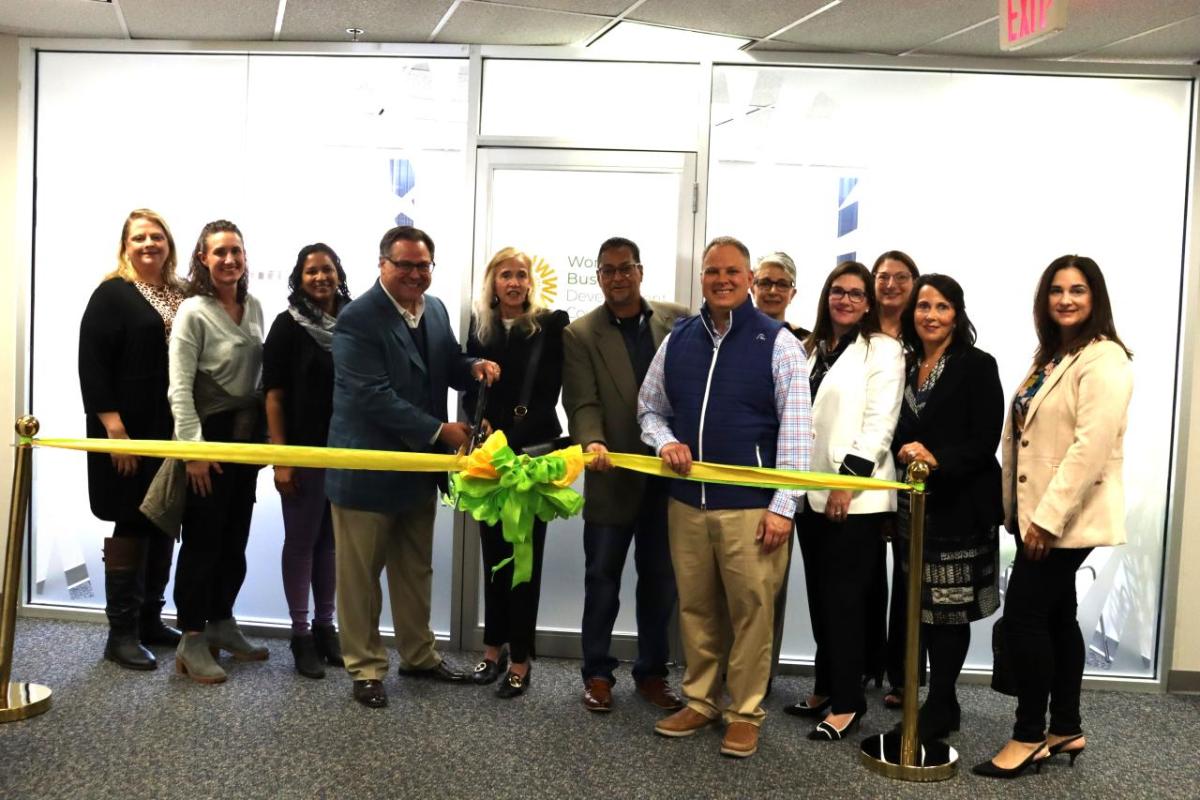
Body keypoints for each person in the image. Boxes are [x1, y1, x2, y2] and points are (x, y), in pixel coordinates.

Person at [638, 236, 812, 759]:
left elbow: (798, 434)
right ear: (703, 280)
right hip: (688, 504)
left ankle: (745, 711)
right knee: (695, 608)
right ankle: (701, 699)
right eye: (713, 272)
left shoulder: (777, 342)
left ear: (750, 280)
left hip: (751, 508)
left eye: (733, 272)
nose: (722, 280)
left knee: (751, 612)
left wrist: (784, 506)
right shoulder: (679, 338)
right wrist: (665, 441)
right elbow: (649, 408)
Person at [325, 225, 499, 709]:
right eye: (404, 265)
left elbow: (445, 363)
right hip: (367, 472)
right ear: (382, 265)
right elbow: (371, 396)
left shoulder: (436, 308)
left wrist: (473, 367)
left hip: (417, 472)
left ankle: (419, 655)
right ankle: (365, 667)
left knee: (414, 569)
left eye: (423, 265)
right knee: (360, 579)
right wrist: (440, 432)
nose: (414, 274)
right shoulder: (358, 319)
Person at [975, 255, 1132, 778]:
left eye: (1078, 290)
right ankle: (1065, 725)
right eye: (1057, 290)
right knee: (1057, 617)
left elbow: (1090, 448)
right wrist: (1015, 510)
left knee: (1023, 619)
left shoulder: (1104, 358)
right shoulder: (1055, 355)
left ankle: (1028, 736)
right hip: (1037, 516)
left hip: (1063, 518)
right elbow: (1025, 438)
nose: (1066, 299)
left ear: (1096, 299)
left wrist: (1045, 519)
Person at [562, 236, 687, 713]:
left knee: (660, 581)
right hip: (610, 473)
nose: (617, 277)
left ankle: (652, 674)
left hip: (667, 476)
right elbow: (581, 400)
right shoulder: (579, 334)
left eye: (625, 268)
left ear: (640, 271)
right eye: (608, 270)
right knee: (602, 581)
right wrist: (590, 440)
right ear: (598, 277)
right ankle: (596, 674)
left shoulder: (677, 320)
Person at [790, 260, 903, 740]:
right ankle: (824, 687)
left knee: (847, 602)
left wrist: (847, 482)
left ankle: (848, 703)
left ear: (868, 303)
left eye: (857, 294)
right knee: (820, 597)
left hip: (854, 498)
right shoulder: (812, 347)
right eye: (838, 291)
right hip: (810, 494)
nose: (846, 300)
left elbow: (881, 421)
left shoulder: (883, 349)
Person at [891, 274, 1003, 740]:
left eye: (940, 307)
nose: (930, 316)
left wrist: (937, 459)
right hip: (913, 508)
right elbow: (891, 425)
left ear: (957, 313)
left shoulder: (977, 364)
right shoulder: (904, 363)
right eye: (922, 306)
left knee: (949, 613)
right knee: (919, 608)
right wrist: (904, 449)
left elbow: (986, 436)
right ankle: (933, 700)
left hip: (960, 506)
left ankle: (941, 702)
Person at [78, 209, 186, 670]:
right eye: (139, 237)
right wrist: (114, 430)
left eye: (156, 237)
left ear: (168, 244)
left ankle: (149, 620)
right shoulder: (111, 295)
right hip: (124, 429)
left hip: (171, 429)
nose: (148, 244)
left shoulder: (181, 293)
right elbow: (92, 363)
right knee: (131, 519)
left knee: (162, 518)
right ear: (126, 246)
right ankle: (119, 635)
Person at [463, 247, 569, 698]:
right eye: (505, 274)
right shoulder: (479, 328)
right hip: (490, 459)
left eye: (521, 275)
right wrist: (477, 418)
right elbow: (468, 383)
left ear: (530, 282)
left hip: (531, 456)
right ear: (493, 281)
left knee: (524, 563)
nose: (513, 282)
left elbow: (553, 389)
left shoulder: (550, 325)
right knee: (493, 560)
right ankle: (493, 649)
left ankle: (521, 660)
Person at [168, 220, 268, 685]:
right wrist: (193, 452)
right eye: (220, 252)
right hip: (206, 437)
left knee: (235, 537)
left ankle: (222, 622)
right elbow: (179, 389)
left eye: (237, 252)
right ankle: (191, 638)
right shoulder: (193, 310)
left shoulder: (254, 307)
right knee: (203, 540)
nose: (230, 260)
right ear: (203, 259)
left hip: (244, 439)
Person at [263, 243, 352, 679]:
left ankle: (325, 628)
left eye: (328, 269)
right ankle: (300, 635)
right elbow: (274, 396)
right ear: (299, 278)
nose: (321, 277)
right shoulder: (286, 326)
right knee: (301, 542)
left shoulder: (355, 322)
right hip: (301, 452)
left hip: (346, 451)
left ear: (339, 274)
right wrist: (282, 459)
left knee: (331, 544)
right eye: (311, 271)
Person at [751, 251, 808, 691]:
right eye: (765, 281)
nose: (772, 290)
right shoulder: (735, 334)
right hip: (739, 482)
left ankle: (761, 676)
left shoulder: (807, 344)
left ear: (793, 291)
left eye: (781, 283)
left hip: (786, 484)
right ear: (753, 284)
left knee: (772, 587)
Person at [871, 249, 921, 704]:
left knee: (909, 581)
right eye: (883, 276)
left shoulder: (922, 334)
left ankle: (905, 677)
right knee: (869, 579)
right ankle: (866, 666)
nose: (890, 285)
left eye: (900, 277)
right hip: (866, 472)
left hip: (912, 471)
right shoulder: (859, 332)